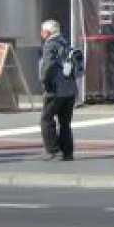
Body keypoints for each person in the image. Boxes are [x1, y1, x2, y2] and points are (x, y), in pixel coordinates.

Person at [39, 20, 77, 161]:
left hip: (56, 89)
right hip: (70, 88)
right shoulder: (66, 43)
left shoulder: (50, 45)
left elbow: (48, 66)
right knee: (65, 122)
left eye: (42, 30)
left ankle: (52, 149)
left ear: (48, 32)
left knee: (46, 118)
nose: (41, 33)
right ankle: (68, 152)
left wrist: (44, 81)